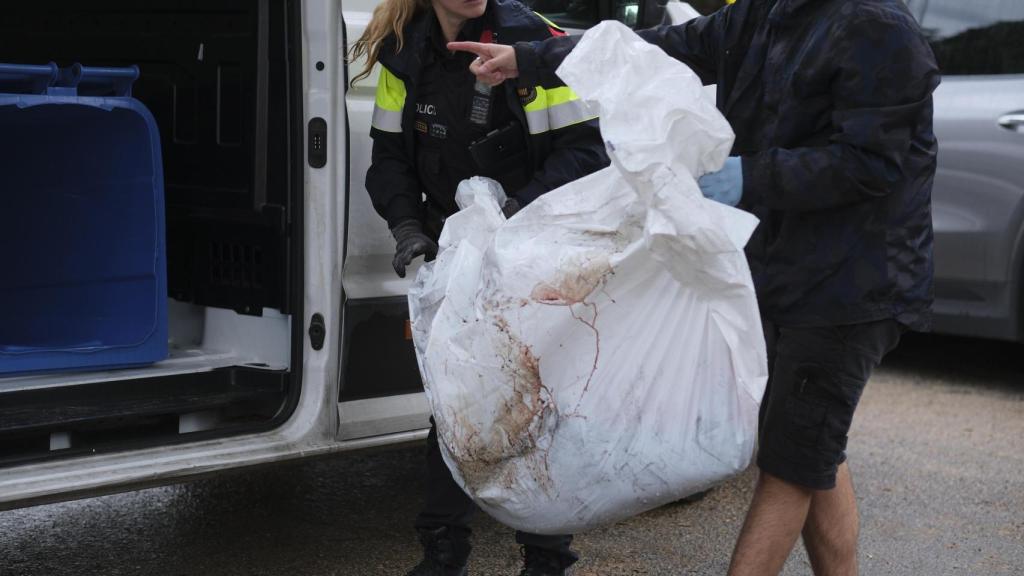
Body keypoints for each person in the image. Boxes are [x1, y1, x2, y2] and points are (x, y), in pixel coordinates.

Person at [449, 0, 940, 574]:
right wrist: (529, 58)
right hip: (784, 268)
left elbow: (871, 163)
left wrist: (748, 176)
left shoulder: (878, 29)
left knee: (791, 462)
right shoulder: (763, 15)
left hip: (853, 285)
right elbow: (660, 46)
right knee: (808, 446)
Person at [351, 0, 609, 572]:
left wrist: (517, 212)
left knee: (540, 406)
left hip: (537, 247)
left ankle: (548, 558)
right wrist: (407, 226)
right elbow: (388, 158)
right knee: (454, 402)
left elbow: (588, 150)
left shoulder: (533, 41)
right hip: (457, 249)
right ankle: (443, 552)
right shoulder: (404, 54)